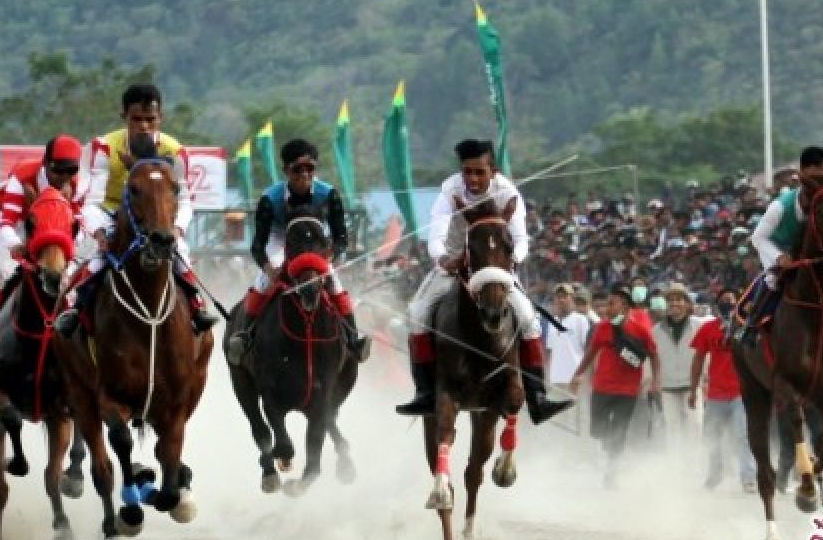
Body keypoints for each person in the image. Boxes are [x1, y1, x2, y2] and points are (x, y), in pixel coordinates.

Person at [394, 138, 572, 424]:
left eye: (480, 172)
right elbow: (436, 239)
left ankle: (537, 397)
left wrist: (511, 259)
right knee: (417, 313)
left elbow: (522, 240)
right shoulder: (448, 192)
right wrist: (443, 259)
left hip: (495, 269)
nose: (473, 179)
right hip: (453, 265)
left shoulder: (508, 193)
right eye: (468, 172)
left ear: (493, 170)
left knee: (528, 318)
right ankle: (426, 392)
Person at [54, 83, 216, 337]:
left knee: (180, 252)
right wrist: (99, 234)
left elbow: (185, 200)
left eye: (150, 120)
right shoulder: (104, 148)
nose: (143, 126)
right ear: (124, 118)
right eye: (136, 119)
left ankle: (196, 307)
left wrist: (176, 229)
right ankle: (75, 310)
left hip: (156, 218)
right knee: (95, 259)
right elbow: (90, 201)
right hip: (110, 215)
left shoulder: (175, 151)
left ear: (160, 118)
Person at [224, 138, 370, 364]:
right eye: (297, 170)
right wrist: (269, 269)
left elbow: (341, 237)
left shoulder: (329, 194)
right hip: (280, 236)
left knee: (334, 280)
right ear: (285, 170)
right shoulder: (269, 199)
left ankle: (353, 337)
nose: (304, 175)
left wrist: (328, 257)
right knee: (263, 281)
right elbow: (257, 245)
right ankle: (246, 336)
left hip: (313, 238)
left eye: (310, 168)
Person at [0, 135, 87, 358]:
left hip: (57, 232)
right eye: (58, 171)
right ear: (45, 162)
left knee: (74, 277)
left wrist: (69, 253)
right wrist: (16, 245)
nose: (63, 178)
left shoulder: (77, 184)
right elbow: (7, 222)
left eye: (70, 171)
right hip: (19, 225)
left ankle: (79, 330)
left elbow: (79, 226)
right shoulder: (23, 176)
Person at [739, 146, 823, 347]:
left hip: (814, 253)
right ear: (803, 174)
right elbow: (758, 238)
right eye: (815, 174)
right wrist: (778, 257)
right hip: (780, 251)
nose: (820, 180)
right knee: (773, 279)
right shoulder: (779, 206)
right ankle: (752, 325)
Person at [571, 283, 661, 486]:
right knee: (598, 430)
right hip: (601, 388)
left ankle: (612, 470)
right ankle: (611, 448)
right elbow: (590, 354)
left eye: (612, 304)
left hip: (628, 391)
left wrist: (656, 381)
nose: (606, 308)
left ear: (626, 307)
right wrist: (577, 376)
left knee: (619, 429)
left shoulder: (640, 330)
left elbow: (654, 357)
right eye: (606, 303)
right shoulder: (602, 328)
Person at [690, 286, 755, 492]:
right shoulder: (708, 328)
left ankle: (748, 478)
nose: (729, 303)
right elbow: (698, 359)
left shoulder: (747, 327)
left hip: (740, 392)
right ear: (717, 304)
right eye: (724, 299)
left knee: (742, 435)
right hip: (715, 393)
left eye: (732, 299)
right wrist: (693, 389)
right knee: (711, 436)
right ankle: (715, 473)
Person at [654, 282, 704, 449]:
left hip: (692, 385)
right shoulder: (657, 330)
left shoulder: (698, 326)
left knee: (695, 426)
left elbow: (705, 355)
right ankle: (675, 465)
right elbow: (653, 359)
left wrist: (705, 380)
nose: (674, 303)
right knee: (672, 429)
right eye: (670, 300)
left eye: (679, 299)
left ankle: (695, 465)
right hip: (668, 386)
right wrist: (653, 382)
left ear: (687, 303)